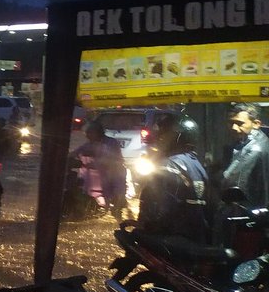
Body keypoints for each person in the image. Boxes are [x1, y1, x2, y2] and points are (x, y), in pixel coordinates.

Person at [137, 112, 209, 244]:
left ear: (177, 137)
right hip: (196, 237)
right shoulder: (197, 165)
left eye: (163, 134)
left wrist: (146, 226)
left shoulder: (169, 165)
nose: (158, 138)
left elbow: (163, 207)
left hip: (172, 237)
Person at [72, 119, 128, 219]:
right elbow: (77, 151)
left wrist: (96, 162)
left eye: (90, 132)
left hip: (116, 173)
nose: (88, 135)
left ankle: (118, 214)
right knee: (104, 195)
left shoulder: (111, 142)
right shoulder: (90, 144)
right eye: (87, 133)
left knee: (117, 195)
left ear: (97, 132)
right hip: (102, 175)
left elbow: (111, 159)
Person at [222, 102, 269, 208]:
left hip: (250, 212)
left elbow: (236, 183)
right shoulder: (243, 145)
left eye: (239, 123)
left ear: (256, 124)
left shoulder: (257, 150)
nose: (234, 127)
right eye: (231, 122)